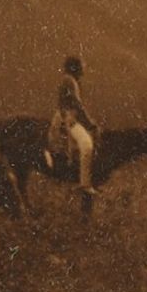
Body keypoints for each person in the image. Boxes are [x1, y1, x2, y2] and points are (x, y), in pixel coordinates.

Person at [48, 55, 99, 196]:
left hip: (69, 117)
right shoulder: (70, 81)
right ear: (75, 67)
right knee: (87, 145)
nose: (84, 68)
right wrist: (89, 123)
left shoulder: (70, 81)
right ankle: (85, 185)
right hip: (68, 119)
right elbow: (77, 104)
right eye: (82, 65)